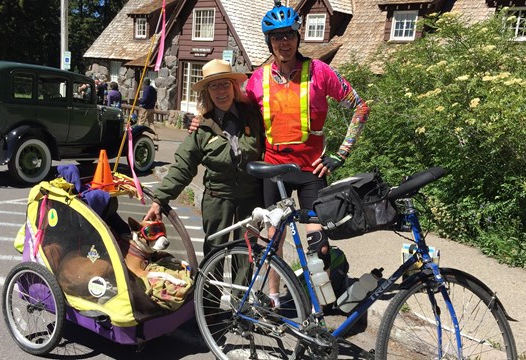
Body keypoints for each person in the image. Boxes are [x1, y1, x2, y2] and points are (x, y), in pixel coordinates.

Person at [190, 1, 370, 307]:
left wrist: (341, 154)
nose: (283, 42)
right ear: (269, 41)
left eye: (288, 35)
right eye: (276, 37)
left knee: (319, 242)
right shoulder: (257, 80)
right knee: (272, 239)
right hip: (274, 170)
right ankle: (273, 299)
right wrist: (202, 117)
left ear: (297, 37)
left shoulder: (320, 72)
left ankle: (320, 303)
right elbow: (228, 103)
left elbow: (360, 106)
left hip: (312, 171)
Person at [144, 59, 264, 257]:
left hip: (250, 199)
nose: (220, 91)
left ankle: (243, 290)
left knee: (247, 256)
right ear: (207, 92)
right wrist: (159, 199)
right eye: (213, 86)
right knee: (214, 255)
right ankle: (209, 289)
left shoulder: (253, 116)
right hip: (217, 199)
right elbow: (183, 166)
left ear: (234, 87)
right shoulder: (202, 127)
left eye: (225, 84)